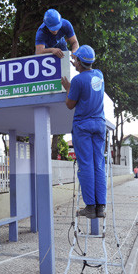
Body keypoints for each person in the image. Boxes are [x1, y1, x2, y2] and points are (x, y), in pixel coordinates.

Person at [61, 45, 105, 219]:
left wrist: (68, 89)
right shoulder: (99, 75)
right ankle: (101, 207)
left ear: (80, 61)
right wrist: (79, 63)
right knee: (98, 164)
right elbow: (88, 81)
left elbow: (70, 104)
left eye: (75, 60)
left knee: (86, 165)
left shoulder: (78, 81)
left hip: (83, 126)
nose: (74, 63)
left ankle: (90, 206)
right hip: (99, 125)